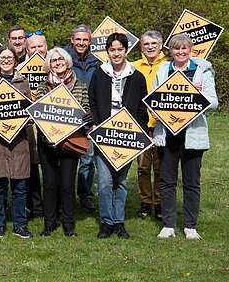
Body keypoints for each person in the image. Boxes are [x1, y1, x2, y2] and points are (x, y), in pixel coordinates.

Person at [154, 33, 218, 240]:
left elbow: (214, 103)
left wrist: (198, 94)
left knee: (191, 182)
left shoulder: (202, 70)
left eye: (184, 48)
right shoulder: (163, 69)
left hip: (193, 135)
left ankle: (190, 226)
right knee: (167, 181)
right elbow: (155, 98)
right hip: (168, 134)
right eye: (175, 48)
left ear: (190, 50)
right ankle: (168, 224)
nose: (180, 52)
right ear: (170, 51)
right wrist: (155, 109)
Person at [88, 33, 148, 239]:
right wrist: (95, 124)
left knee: (121, 182)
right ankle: (106, 222)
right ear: (107, 51)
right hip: (104, 136)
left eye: (120, 49)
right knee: (104, 182)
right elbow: (92, 102)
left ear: (125, 51)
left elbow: (142, 109)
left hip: (126, 138)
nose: (116, 53)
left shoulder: (137, 76)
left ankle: (119, 222)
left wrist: (139, 133)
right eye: (112, 50)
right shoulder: (99, 74)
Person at [36, 47, 91, 237]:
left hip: (71, 140)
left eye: (61, 59)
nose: (58, 63)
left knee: (67, 184)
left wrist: (87, 116)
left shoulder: (80, 85)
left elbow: (85, 108)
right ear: (49, 65)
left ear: (67, 62)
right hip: (48, 141)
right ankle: (49, 223)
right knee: (49, 183)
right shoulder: (43, 86)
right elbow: (41, 113)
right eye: (53, 60)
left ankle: (69, 224)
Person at [0, 44, 33, 239]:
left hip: (18, 141)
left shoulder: (24, 83)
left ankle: (20, 225)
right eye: (3, 57)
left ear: (16, 60)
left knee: (19, 186)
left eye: (10, 57)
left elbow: (28, 110)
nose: (6, 60)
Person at [132, 30, 167, 220]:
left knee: (160, 167)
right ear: (141, 47)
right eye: (146, 44)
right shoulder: (134, 66)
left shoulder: (169, 65)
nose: (150, 47)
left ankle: (160, 203)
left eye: (154, 43)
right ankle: (145, 202)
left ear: (161, 45)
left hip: (163, 125)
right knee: (143, 167)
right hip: (141, 124)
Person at [65, 24, 99, 212]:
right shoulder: (63, 59)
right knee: (67, 160)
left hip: (88, 120)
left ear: (90, 42)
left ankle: (85, 196)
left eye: (85, 40)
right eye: (78, 39)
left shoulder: (97, 63)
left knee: (88, 160)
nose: (81, 43)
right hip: (67, 119)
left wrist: (94, 114)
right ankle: (65, 195)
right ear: (72, 40)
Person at [23, 31, 47, 219]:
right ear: (26, 49)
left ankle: (53, 205)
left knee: (50, 165)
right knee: (31, 166)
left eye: (40, 46)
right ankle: (35, 206)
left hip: (50, 124)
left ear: (46, 47)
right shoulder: (20, 69)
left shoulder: (55, 67)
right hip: (29, 125)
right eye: (33, 47)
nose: (37, 50)